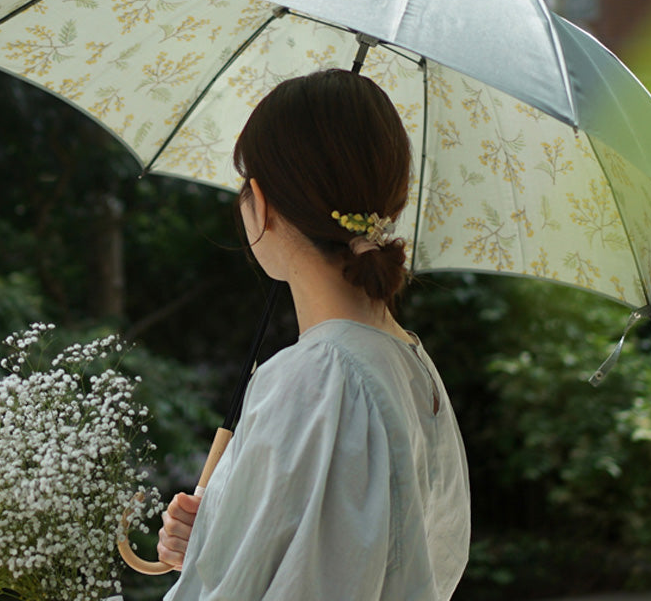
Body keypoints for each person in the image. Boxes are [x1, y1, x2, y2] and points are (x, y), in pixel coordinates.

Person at [157, 69, 470, 600]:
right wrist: (212, 537)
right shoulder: (411, 364)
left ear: (263, 201)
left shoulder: (317, 376)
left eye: (243, 186)